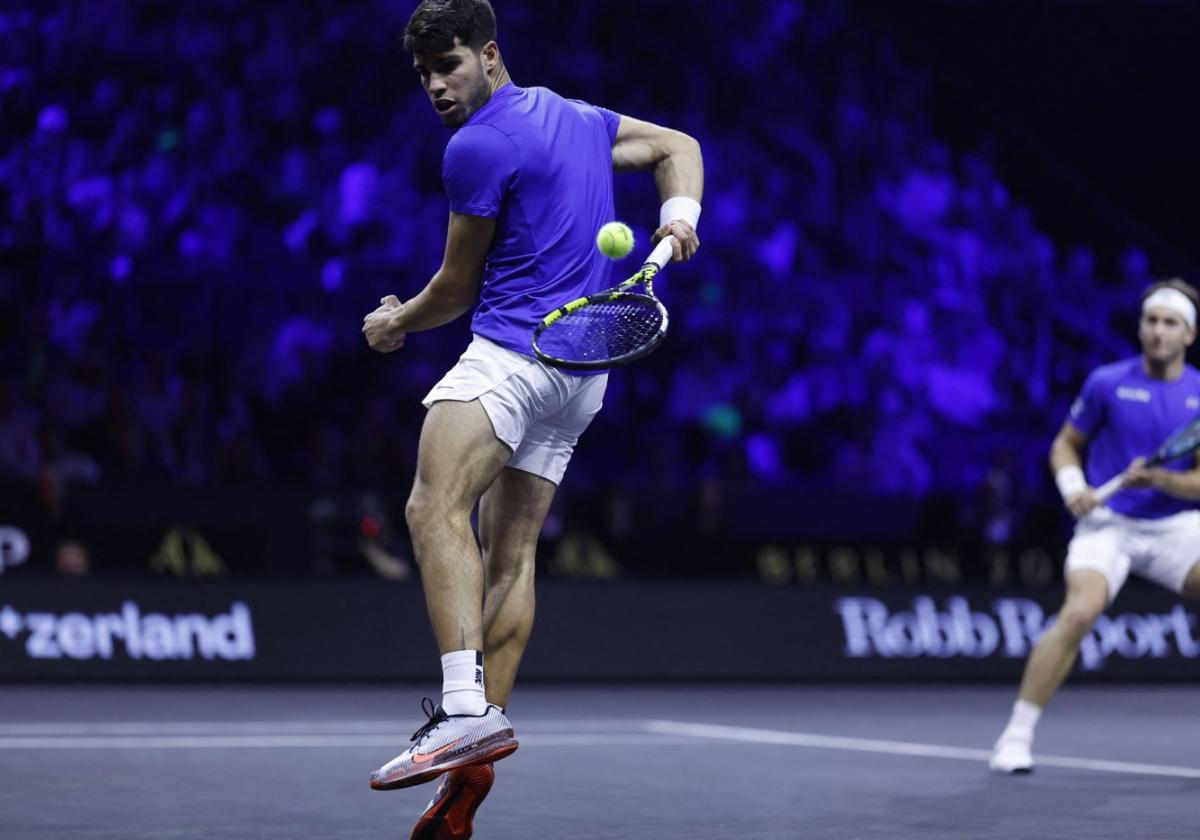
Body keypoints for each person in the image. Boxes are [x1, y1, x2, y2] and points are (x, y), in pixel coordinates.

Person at [360, 0, 703, 834]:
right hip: (584, 376)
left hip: (514, 360)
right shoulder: (577, 117)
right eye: (425, 76)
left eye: (450, 67)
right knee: (508, 554)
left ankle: (461, 710)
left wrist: (395, 321)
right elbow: (678, 149)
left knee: (430, 507)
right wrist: (680, 216)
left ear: (490, 55)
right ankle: (473, 766)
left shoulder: (474, 146)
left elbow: (456, 290)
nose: (438, 87)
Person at [990, 278, 1200, 774]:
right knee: (1080, 613)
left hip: (1175, 525)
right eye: (1151, 321)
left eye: (1170, 323)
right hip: (1108, 525)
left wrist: (1161, 482)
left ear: (1188, 334)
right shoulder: (1106, 382)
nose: (1158, 332)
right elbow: (1065, 443)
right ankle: (1015, 737)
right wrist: (1071, 487)